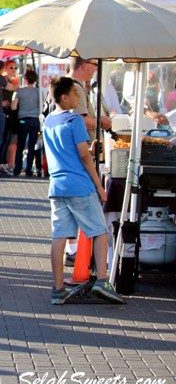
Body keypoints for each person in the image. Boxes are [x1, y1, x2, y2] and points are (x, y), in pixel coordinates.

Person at [42, 76, 124, 305]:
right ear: (64, 96)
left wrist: (88, 148)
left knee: (58, 236)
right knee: (99, 231)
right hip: (79, 184)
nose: (79, 99)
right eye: (76, 95)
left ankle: (58, 289)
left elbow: (66, 150)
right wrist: (99, 186)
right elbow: (84, 156)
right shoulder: (74, 120)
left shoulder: (48, 121)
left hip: (57, 185)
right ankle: (102, 281)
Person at [12, 69, 41, 177]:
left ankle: (17, 170)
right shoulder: (39, 91)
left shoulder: (19, 91)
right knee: (32, 145)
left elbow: (13, 107)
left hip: (23, 119)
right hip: (35, 119)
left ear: (25, 79)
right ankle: (29, 170)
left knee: (20, 146)